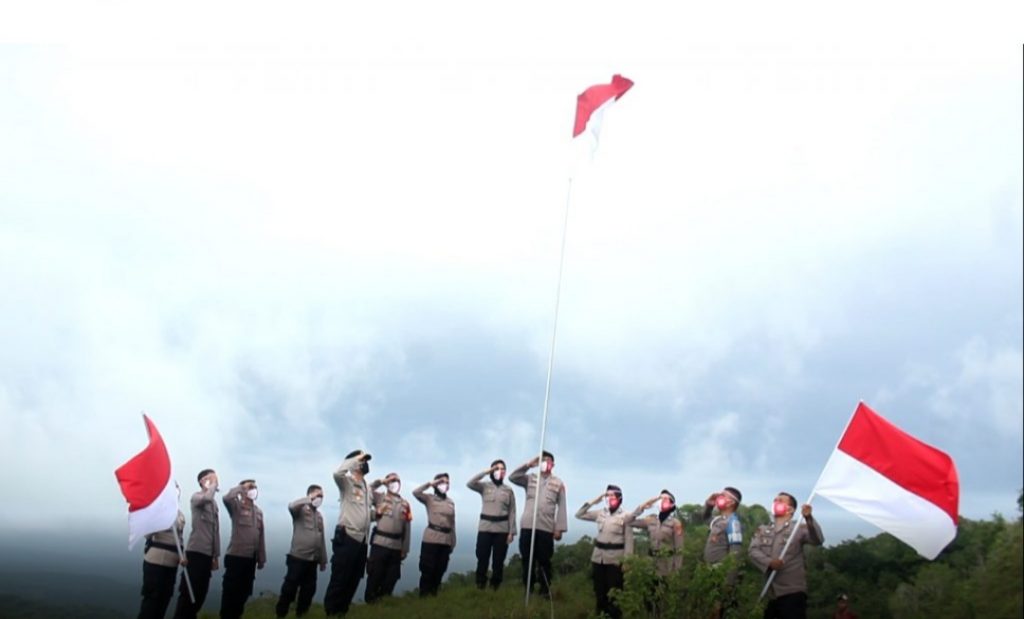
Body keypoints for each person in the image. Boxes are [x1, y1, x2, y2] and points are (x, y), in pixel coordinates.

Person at [748, 493, 824, 619]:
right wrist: (769, 562)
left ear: (790, 509)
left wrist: (809, 518)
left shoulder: (798, 528)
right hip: (770, 593)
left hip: (792, 593)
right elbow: (752, 550)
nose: (776, 502)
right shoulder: (763, 529)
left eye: (780, 501)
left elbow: (818, 540)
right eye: (775, 500)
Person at [510, 451, 567, 597]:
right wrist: (529, 464)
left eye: (548, 461)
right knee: (527, 559)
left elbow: (562, 506)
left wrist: (559, 529)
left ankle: (544, 590)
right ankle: (528, 589)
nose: (545, 463)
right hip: (528, 525)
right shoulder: (530, 478)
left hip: (546, 527)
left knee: (544, 560)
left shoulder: (558, 483)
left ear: (553, 464)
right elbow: (513, 477)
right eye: (543, 460)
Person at [323, 450, 374, 616]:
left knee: (354, 578)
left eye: (365, 460)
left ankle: (342, 612)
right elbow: (337, 473)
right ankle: (331, 612)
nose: (365, 463)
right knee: (340, 578)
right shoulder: (347, 483)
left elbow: (365, 513)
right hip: (348, 537)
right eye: (362, 460)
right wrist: (354, 459)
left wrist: (376, 514)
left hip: (363, 540)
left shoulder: (367, 488)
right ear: (354, 463)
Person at [576, 485, 637, 619]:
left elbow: (629, 540)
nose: (610, 499)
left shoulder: (626, 516)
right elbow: (579, 514)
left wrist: (627, 561)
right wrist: (595, 500)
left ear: (619, 498)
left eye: (613, 496)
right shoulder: (601, 513)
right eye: (607, 496)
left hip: (615, 560)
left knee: (614, 593)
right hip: (599, 558)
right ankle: (600, 615)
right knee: (599, 592)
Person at [173, 469, 220, 619]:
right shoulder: (197, 497)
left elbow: (215, 531)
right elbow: (207, 497)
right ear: (202, 481)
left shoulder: (214, 505)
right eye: (211, 477)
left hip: (207, 555)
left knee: (200, 595)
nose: (215, 480)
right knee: (188, 595)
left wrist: (215, 556)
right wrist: (213, 483)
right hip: (195, 553)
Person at [275, 485, 328, 618]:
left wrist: (323, 560)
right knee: (289, 589)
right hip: (298, 558)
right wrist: (309, 498)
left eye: (322, 496)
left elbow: (321, 538)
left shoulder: (319, 516)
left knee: (308, 591)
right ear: (310, 495)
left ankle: (302, 614)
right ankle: (281, 614)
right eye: (318, 495)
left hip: (313, 560)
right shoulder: (300, 511)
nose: (320, 498)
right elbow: (291, 506)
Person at [467, 459, 517, 590]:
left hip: (502, 529)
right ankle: (480, 585)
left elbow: (512, 511)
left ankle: (495, 587)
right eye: (497, 469)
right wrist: (486, 471)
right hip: (485, 528)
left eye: (502, 469)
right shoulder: (484, 486)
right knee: (482, 558)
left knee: (498, 560)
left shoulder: (508, 490)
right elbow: (470, 483)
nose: (500, 471)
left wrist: (511, 532)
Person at [219, 479, 266, 619]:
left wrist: (261, 558)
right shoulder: (236, 507)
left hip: (250, 559)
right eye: (250, 487)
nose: (253, 490)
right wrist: (241, 487)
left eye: (255, 487)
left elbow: (261, 536)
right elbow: (226, 498)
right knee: (230, 592)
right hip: (236, 557)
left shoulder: (258, 512)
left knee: (244, 593)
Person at [364, 472, 412, 603]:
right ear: (387, 483)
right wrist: (381, 481)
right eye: (392, 480)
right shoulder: (380, 498)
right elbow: (366, 490)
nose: (395, 483)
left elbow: (407, 527)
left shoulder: (405, 504)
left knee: (392, 578)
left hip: (396, 546)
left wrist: (405, 549)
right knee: (375, 575)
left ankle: (384, 603)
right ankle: (370, 604)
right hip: (380, 544)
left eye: (397, 480)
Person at [137, 504, 186, 619]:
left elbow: (179, 539)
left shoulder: (180, 515)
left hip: (172, 564)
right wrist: (161, 519)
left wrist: (183, 556)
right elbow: (147, 535)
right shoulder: (156, 511)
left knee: (164, 600)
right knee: (151, 602)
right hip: (155, 562)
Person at [413, 473, 457, 597]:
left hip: (446, 540)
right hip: (431, 539)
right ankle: (423, 597)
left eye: (447, 482)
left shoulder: (450, 502)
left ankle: (433, 596)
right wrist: (430, 483)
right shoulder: (429, 499)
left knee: (440, 569)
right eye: (442, 482)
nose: (445, 484)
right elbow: (416, 492)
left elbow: (452, 523)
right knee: (427, 570)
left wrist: (453, 541)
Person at [703, 486, 744, 618]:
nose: (719, 497)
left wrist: (728, 583)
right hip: (711, 574)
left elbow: (735, 554)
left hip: (721, 576)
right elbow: (705, 518)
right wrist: (709, 505)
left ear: (731, 502)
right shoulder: (719, 520)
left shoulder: (733, 522)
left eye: (723, 495)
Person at [631, 490, 684, 577]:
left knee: (664, 584)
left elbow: (679, 549)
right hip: (651, 562)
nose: (662, 501)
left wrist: (677, 569)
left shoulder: (675, 523)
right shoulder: (651, 519)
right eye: (661, 498)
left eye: (666, 499)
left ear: (672, 504)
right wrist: (642, 507)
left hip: (666, 563)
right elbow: (629, 521)